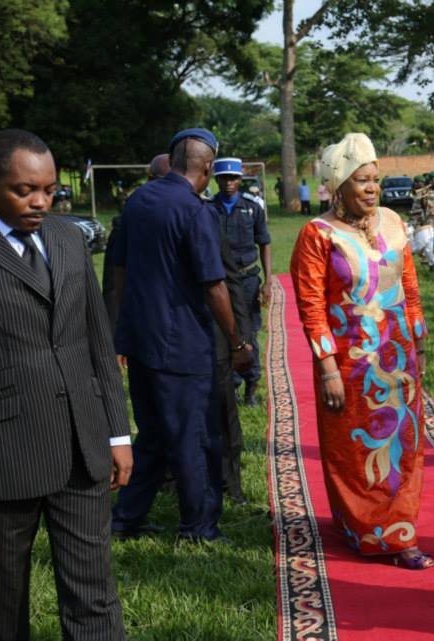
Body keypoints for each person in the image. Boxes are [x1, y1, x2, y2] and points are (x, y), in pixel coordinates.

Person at [0, 129, 131, 640]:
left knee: (94, 593)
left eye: (50, 190)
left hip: (82, 446)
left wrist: (117, 432)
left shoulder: (66, 238)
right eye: (24, 190)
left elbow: (95, 339)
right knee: (1, 599)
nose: (41, 201)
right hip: (2, 454)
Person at [289, 133, 433, 569]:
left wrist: (420, 342)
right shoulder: (318, 235)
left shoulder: (393, 222)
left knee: (403, 443)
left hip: (398, 356)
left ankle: (398, 532)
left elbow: (409, 288)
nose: (372, 189)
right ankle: (362, 528)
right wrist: (327, 367)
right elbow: (311, 306)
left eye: (375, 180)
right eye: (362, 181)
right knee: (354, 448)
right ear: (339, 187)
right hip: (349, 364)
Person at [111, 128, 251, 544]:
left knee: (153, 433)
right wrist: (237, 341)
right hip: (183, 345)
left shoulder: (137, 201)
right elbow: (214, 284)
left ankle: (126, 519)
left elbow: (118, 269)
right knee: (195, 436)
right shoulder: (196, 211)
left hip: (140, 341)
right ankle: (199, 526)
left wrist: (127, 323)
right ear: (207, 168)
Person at [210, 157, 273, 408]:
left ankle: (252, 386)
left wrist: (268, 281)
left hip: (247, 279)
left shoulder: (252, 208)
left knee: (250, 333)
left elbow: (264, 243)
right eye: (224, 178)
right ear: (217, 179)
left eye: (234, 178)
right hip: (220, 282)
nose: (229, 183)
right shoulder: (208, 209)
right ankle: (232, 385)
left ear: (240, 179)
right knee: (225, 332)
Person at [102, 153, 170, 332]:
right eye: (161, 181)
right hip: (141, 318)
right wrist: (116, 331)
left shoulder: (192, 217)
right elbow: (112, 285)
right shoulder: (127, 220)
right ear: (149, 179)